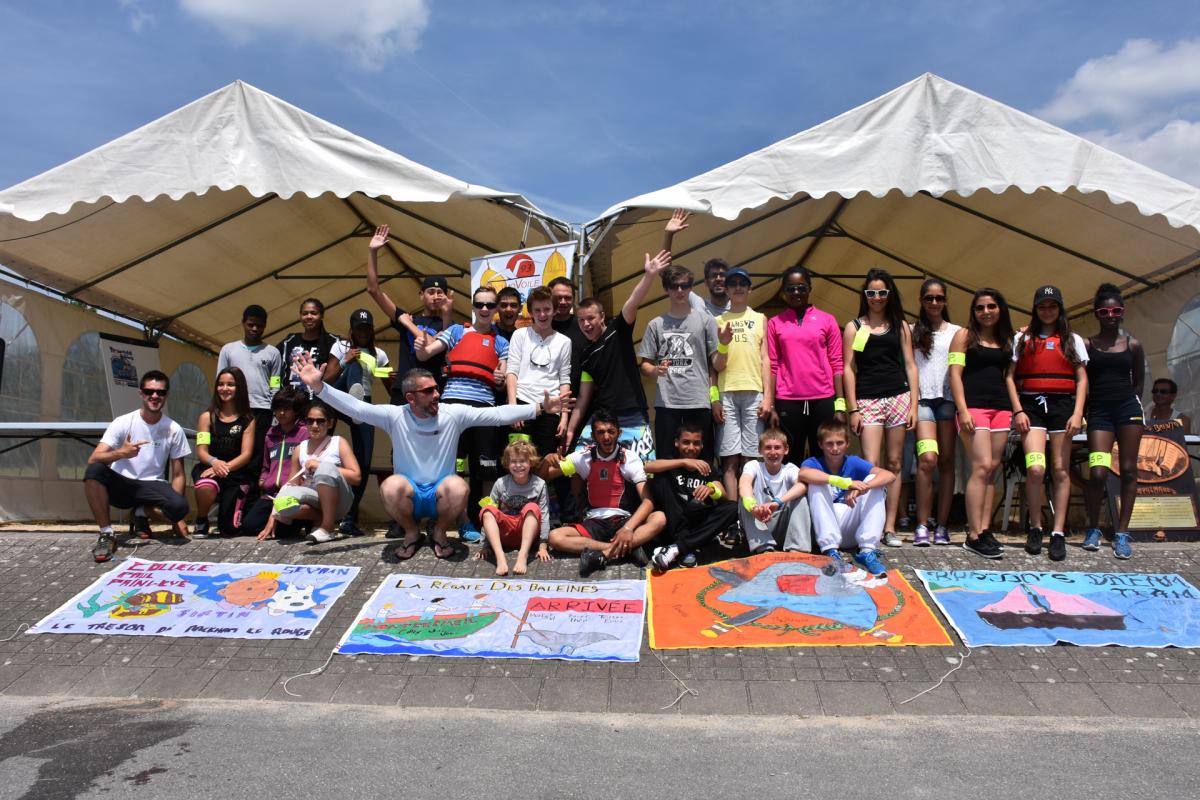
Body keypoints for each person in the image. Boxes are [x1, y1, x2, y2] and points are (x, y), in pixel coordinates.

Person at [292, 355, 570, 561]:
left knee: (459, 486)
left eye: (437, 388)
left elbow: (496, 415)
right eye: (429, 391)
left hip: (442, 498)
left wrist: (538, 408)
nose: (437, 394)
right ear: (410, 397)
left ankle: (439, 532)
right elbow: (356, 408)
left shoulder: (453, 414)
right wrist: (320, 388)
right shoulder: (394, 415)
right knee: (390, 486)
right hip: (409, 497)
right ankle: (412, 532)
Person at [413, 285, 510, 538]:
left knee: (487, 469)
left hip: (484, 409)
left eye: (490, 305)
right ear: (473, 307)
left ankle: (488, 522)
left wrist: (499, 379)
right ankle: (461, 520)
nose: (485, 309)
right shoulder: (456, 331)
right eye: (480, 304)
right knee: (450, 468)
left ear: (496, 309)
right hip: (452, 407)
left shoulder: (502, 342)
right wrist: (421, 345)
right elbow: (425, 354)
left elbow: (502, 380)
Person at [565, 250, 673, 461]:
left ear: (601, 316)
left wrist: (649, 275)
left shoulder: (618, 330)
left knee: (643, 469)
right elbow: (583, 398)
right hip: (603, 418)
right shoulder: (586, 356)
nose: (586, 324)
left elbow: (633, 300)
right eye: (581, 320)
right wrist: (570, 429)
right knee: (577, 463)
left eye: (591, 318)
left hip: (632, 413)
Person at [1008, 284, 1089, 562]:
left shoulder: (1072, 339)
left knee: (1060, 470)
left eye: (1052, 306)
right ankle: (1035, 527)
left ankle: (1058, 532)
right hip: (1031, 406)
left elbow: (1082, 379)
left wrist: (1077, 413)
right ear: (1035, 309)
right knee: (1035, 468)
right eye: (1042, 306)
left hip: (1062, 406)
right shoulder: (1022, 338)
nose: (1047, 311)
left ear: (1060, 309)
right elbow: (1009, 377)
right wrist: (1018, 410)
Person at [842, 268, 918, 548]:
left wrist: (913, 404)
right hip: (867, 400)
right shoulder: (854, 327)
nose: (877, 297)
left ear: (890, 294)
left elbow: (911, 365)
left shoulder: (900, 325)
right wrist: (853, 409)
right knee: (871, 464)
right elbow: (848, 369)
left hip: (898, 396)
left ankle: (889, 526)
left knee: (895, 463)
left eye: (882, 292)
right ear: (865, 295)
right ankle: (869, 523)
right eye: (872, 292)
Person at [541, 408, 666, 577]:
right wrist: (546, 461)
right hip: (594, 522)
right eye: (600, 432)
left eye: (611, 431)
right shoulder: (583, 457)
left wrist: (628, 528)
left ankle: (603, 555)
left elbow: (648, 501)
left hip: (623, 520)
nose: (606, 437)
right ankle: (624, 549)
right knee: (555, 537)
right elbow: (544, 477)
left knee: (659, 518)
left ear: (619, 433)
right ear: (593, 436)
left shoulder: (630, 458)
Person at [83, 370, 191, 562]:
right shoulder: (123, 422)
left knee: (180, 507)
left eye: (160, 392)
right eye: (149, 391)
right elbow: (94, 458)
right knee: (94, 470)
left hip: (152, 485)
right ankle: (106, 534)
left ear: (166, 395)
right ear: (141, 393)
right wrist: (121, 453)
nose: (154, 396)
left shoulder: (173, 428)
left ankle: (141, 512)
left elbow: (178, 474)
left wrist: (177, 518)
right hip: (122, 485)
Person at [948, 288, 1016, 560]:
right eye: (980, 307)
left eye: (991, 306)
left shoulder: (1007, 339)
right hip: (973, 407)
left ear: (1000, 309)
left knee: (992, 470)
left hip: (1001, 408)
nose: (986, 312)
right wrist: (962, 409)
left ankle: (985, 530)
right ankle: (973, 534)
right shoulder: (964, 336)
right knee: (982, 466)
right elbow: (955, 374)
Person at [638, 263, 727, 461]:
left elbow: (717, 365)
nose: (680, 290)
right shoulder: (655, 324)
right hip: (667, 403)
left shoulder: (706, 321)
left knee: (703, 459)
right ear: (666, 289)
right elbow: (644, 364)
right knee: (666, 458)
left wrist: (724, 346)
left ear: (691, 287)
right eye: (674, 286)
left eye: (685, 285)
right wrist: (655, 370)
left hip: (699, 401)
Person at [1083, 284, 1145, 560]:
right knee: (1098, 471)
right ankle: (1093, 528)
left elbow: (1139, 383)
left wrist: (1130, 405)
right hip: (1099, 413)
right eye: (1104, 311)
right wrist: (1085, 410)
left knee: (1129, 471)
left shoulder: (1133, 345)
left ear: (1123, 313)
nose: (1110, 316)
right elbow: (1082, 381)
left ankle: (1121, 533)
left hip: (1128, 411)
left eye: (1116, 311)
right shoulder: (1088, 345)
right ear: (1097, 314)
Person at [763, 265, 844, 465]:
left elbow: (837, 362)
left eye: (801, 287)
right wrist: (771, 405)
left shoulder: (827, 320)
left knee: (823, 457)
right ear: (784, 292)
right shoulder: (775, 323)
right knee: (791, 458)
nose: (796, 292)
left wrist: (840, 404)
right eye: (790, 288)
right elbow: (772, 364)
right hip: (788, 399)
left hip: (823, 397)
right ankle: (794, 488)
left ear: (810, 288)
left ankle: (821, 488)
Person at [365, 224, 453, 403]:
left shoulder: (450, 325)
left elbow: (431, 345)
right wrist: (372, 252)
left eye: (440, 293)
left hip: (430, 391)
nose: (436, 296)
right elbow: (374, 290)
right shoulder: (407, 316)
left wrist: (407, 323)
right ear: (421, 295)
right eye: (430, 292)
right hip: (403, 389)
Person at [506, 286, 573, 521]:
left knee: (545, 464)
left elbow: (564, 379)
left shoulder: (564, 341)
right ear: (531, 312)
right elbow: (512, 371)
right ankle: (515, 514)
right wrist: (513, 408)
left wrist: (564, 415)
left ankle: (544, 515)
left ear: (554, 310)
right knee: (518, 460)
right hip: (522, 405)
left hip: (551, 409)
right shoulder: (519, 335)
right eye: (538, 310)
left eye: (547, 309)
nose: (542, 314)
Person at [798, 419, 896, 577]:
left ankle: (867, 550)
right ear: (820, 444)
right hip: (824, 532)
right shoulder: (813, 462)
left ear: (847, 444)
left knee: (874, 480)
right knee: (817, 481)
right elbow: (803, 474)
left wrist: (863, 488)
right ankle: (830, 551)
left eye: (839, 443)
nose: (835, 448)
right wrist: (844, 482)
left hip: (851, 528)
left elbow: (889, 475)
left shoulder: (853, 462)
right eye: (829, 444)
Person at [327, 308, 394, 537]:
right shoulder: (340, 347)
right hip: (338, 397)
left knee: (363, 462)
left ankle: (349, 518)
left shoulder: (380, 355)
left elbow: (390, 388)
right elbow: (327, 380)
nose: (363, 332)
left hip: (363, 405)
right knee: (354, 364)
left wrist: (394, 380)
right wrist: (345, 361)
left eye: (366, 328)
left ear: (372, 329)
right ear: (352, 330)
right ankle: (320, 514)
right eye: (359, 328)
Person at [258, 399, 361, 544]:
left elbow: (356, 477)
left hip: (339, 500)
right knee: (282, 501)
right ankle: (320, 518)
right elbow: (291, 484)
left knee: (325, 469)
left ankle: (328, 528)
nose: (314, 425)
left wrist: (320, 465)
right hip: (314, 499)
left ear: (330, 423)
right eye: (310, 421)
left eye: (320, 421)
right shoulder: (300, 448)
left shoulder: (338, 442)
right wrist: (273, 515)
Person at [644, 423, 739, 570]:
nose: (691, 447)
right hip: (675, 520)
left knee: (733, 507)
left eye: (696, 443)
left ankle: (677, 549)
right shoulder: (670, 462)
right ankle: (690, 544)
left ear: (702, 445)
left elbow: (724, 496)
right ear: (676, 443)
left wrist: (712, 489)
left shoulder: (706, 466)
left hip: (696, 519)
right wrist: (683, 462)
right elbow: (648, 467)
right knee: (661, 479)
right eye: (686, 442)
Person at [910, 279, 961, 546]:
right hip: (922, 401)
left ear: (946, 301)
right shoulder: (911, 330)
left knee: (947, 461)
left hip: (948, 401)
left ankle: (941, 526)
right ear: (921, 300)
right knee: (928, 459)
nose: (934, 302)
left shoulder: (957, 332)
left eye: (939, 298)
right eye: (929, 298)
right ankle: (921, 524)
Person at [712, 267, 769, 499]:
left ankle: (751, 510)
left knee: (751, 458)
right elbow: (714, 366)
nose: (738, 288)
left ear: (749, 289)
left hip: (754, 392)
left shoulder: (760, 318)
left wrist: (768, 397)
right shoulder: (716, 321)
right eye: (733, 284)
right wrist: (714, 400)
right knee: (729, 460)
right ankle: (732, 513)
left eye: (742, 284)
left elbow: (766, 359)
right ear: (725, 290)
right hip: (726, 393)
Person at [191, 367, 256, 538]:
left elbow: (246, 455)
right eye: (220, 384)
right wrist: (214, 463)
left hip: (235, 473)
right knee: (206, 485)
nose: (224, 388)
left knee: (229, 530)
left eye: (230, 384)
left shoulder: (248, 419)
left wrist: (223, 467)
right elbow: (201, 451)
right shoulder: (207, 417)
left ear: (239, 388)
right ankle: (201, 520)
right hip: (209, 468)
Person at [217, 304, 282, 472]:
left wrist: (274, 411)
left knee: (256, 453)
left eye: (259, 325)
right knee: (232, 449)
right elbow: (220, 380)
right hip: (235, 409)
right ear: (243, 323)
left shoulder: (273, 353)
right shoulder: (228, 350)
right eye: (251, 324)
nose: (254, 329)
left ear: (265, 326)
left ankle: (251, 485)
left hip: (262, 410)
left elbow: (275, 383)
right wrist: (220, 407)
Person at [239, 387, 309, 538]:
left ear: (295, 410)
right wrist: (263, 480)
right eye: (278, 409)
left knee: (285, 532)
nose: (281, 413)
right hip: (270, 495)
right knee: (249, 526)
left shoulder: (304, 433)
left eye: (286, 409)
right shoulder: (270, 434)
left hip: (292, 494)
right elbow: (266, 465)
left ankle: (296, 522)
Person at [477, 440, 551, 576]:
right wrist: (485, 545)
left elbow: (544, 514)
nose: (518, 465)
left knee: (532, 507)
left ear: (531, 462)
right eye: (513, 461)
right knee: (487, 510)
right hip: (504, 533)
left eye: (522, 461)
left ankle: (523, 556)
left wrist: (543, 545)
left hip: (528, 533)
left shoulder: (539, 484)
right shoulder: (501, 483)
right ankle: (500, 557)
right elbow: (490, 513)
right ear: (507, 463)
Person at [737, 428, 812, 555]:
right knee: (744, 500)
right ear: (760, 450)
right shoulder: (753, 465)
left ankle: (798, 549)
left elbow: (803, 485)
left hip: (782, 525)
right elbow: (744, 483)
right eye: (768, 448)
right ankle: (764, 548)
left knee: (801, 499)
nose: (773, 452)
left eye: (777, 447)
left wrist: (777, 502)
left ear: (786, 450)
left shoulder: (790, 469)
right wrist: (752, 506)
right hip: (758, 523)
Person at [658, 208, 730, 318]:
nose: (718, 279)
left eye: (722, 275)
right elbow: (666, 274)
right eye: (713, 276)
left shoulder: (741, 309)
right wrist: (669, 234)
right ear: (706, 282)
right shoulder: (700, 305)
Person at [276, 298, 338, 393]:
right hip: (289, 400)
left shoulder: (334, 342)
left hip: (319, 399)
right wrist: (275, 390)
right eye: (305, 313)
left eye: (314, 313)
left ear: (321, 316)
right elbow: (273, 370)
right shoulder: (288, 342)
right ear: (300, 316)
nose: (309, 316)